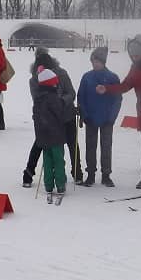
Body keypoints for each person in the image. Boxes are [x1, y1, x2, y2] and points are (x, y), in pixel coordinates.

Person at [96, 34, 141, 189]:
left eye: (137, 55)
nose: (135, 58)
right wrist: (107, 89)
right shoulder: (135, 68)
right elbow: (125, 85)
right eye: (133, 56)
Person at [22, 48, 82, 186]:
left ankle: (77, 172)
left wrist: (61, 101)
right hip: (48, 119)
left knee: (72, 143)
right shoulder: (34, 79)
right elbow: (37, 99)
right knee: (39, 144)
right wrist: (50, 103)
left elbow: (71, 93)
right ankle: (28, 174)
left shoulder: (62, 73)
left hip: (66, 115)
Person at [77, 47, 122, 187]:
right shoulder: (87, 77)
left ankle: (106, 175)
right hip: (91, 118)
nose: (95, 64)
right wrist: (84, 114)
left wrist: (112, 117)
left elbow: (117, 99)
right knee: (90, 146)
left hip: (107, 119)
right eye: (93, 61)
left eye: (97, 61)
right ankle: (90, 174)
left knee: (106, 146)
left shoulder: (112, 78)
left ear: (103, 62)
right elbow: (81, 96)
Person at [32, 66, 68, 205]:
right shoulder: (53, 98)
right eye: (55, 82)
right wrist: (64, 104)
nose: (56, 85)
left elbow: (36, 117)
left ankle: (48, 185)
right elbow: (60, 113)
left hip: (43, 135)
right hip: (56, 135)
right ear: (50, 84)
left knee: (47, 161)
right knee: (58, 161)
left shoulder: (38, 99)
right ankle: (60, 184)